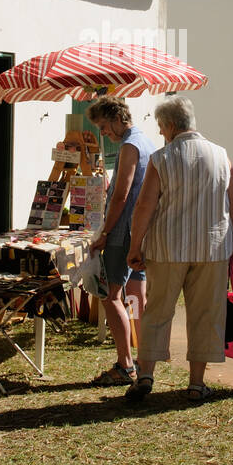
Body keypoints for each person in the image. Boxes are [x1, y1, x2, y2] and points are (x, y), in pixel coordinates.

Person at [124, 97, 233, 403]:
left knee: (157, 312)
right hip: (212, 248)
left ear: (172, 126)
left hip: (166, 248)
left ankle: (146, 373)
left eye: (162, 127)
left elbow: (144, 206)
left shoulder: (162, 158)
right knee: (205, 314)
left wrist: (135, 245)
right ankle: (196, 383)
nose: (161, 132)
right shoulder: (221, 155)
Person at [85, 96, 154, 386]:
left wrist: (104, 233)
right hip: (140, 230)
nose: (103, 133)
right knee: (137, 296)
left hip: (122, 231)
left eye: (103, 126)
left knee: (111, 297)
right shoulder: (146, 141)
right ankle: (143, 358)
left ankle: (126, 365)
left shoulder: (129, 145)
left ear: (116, 118)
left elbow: (122, 196)